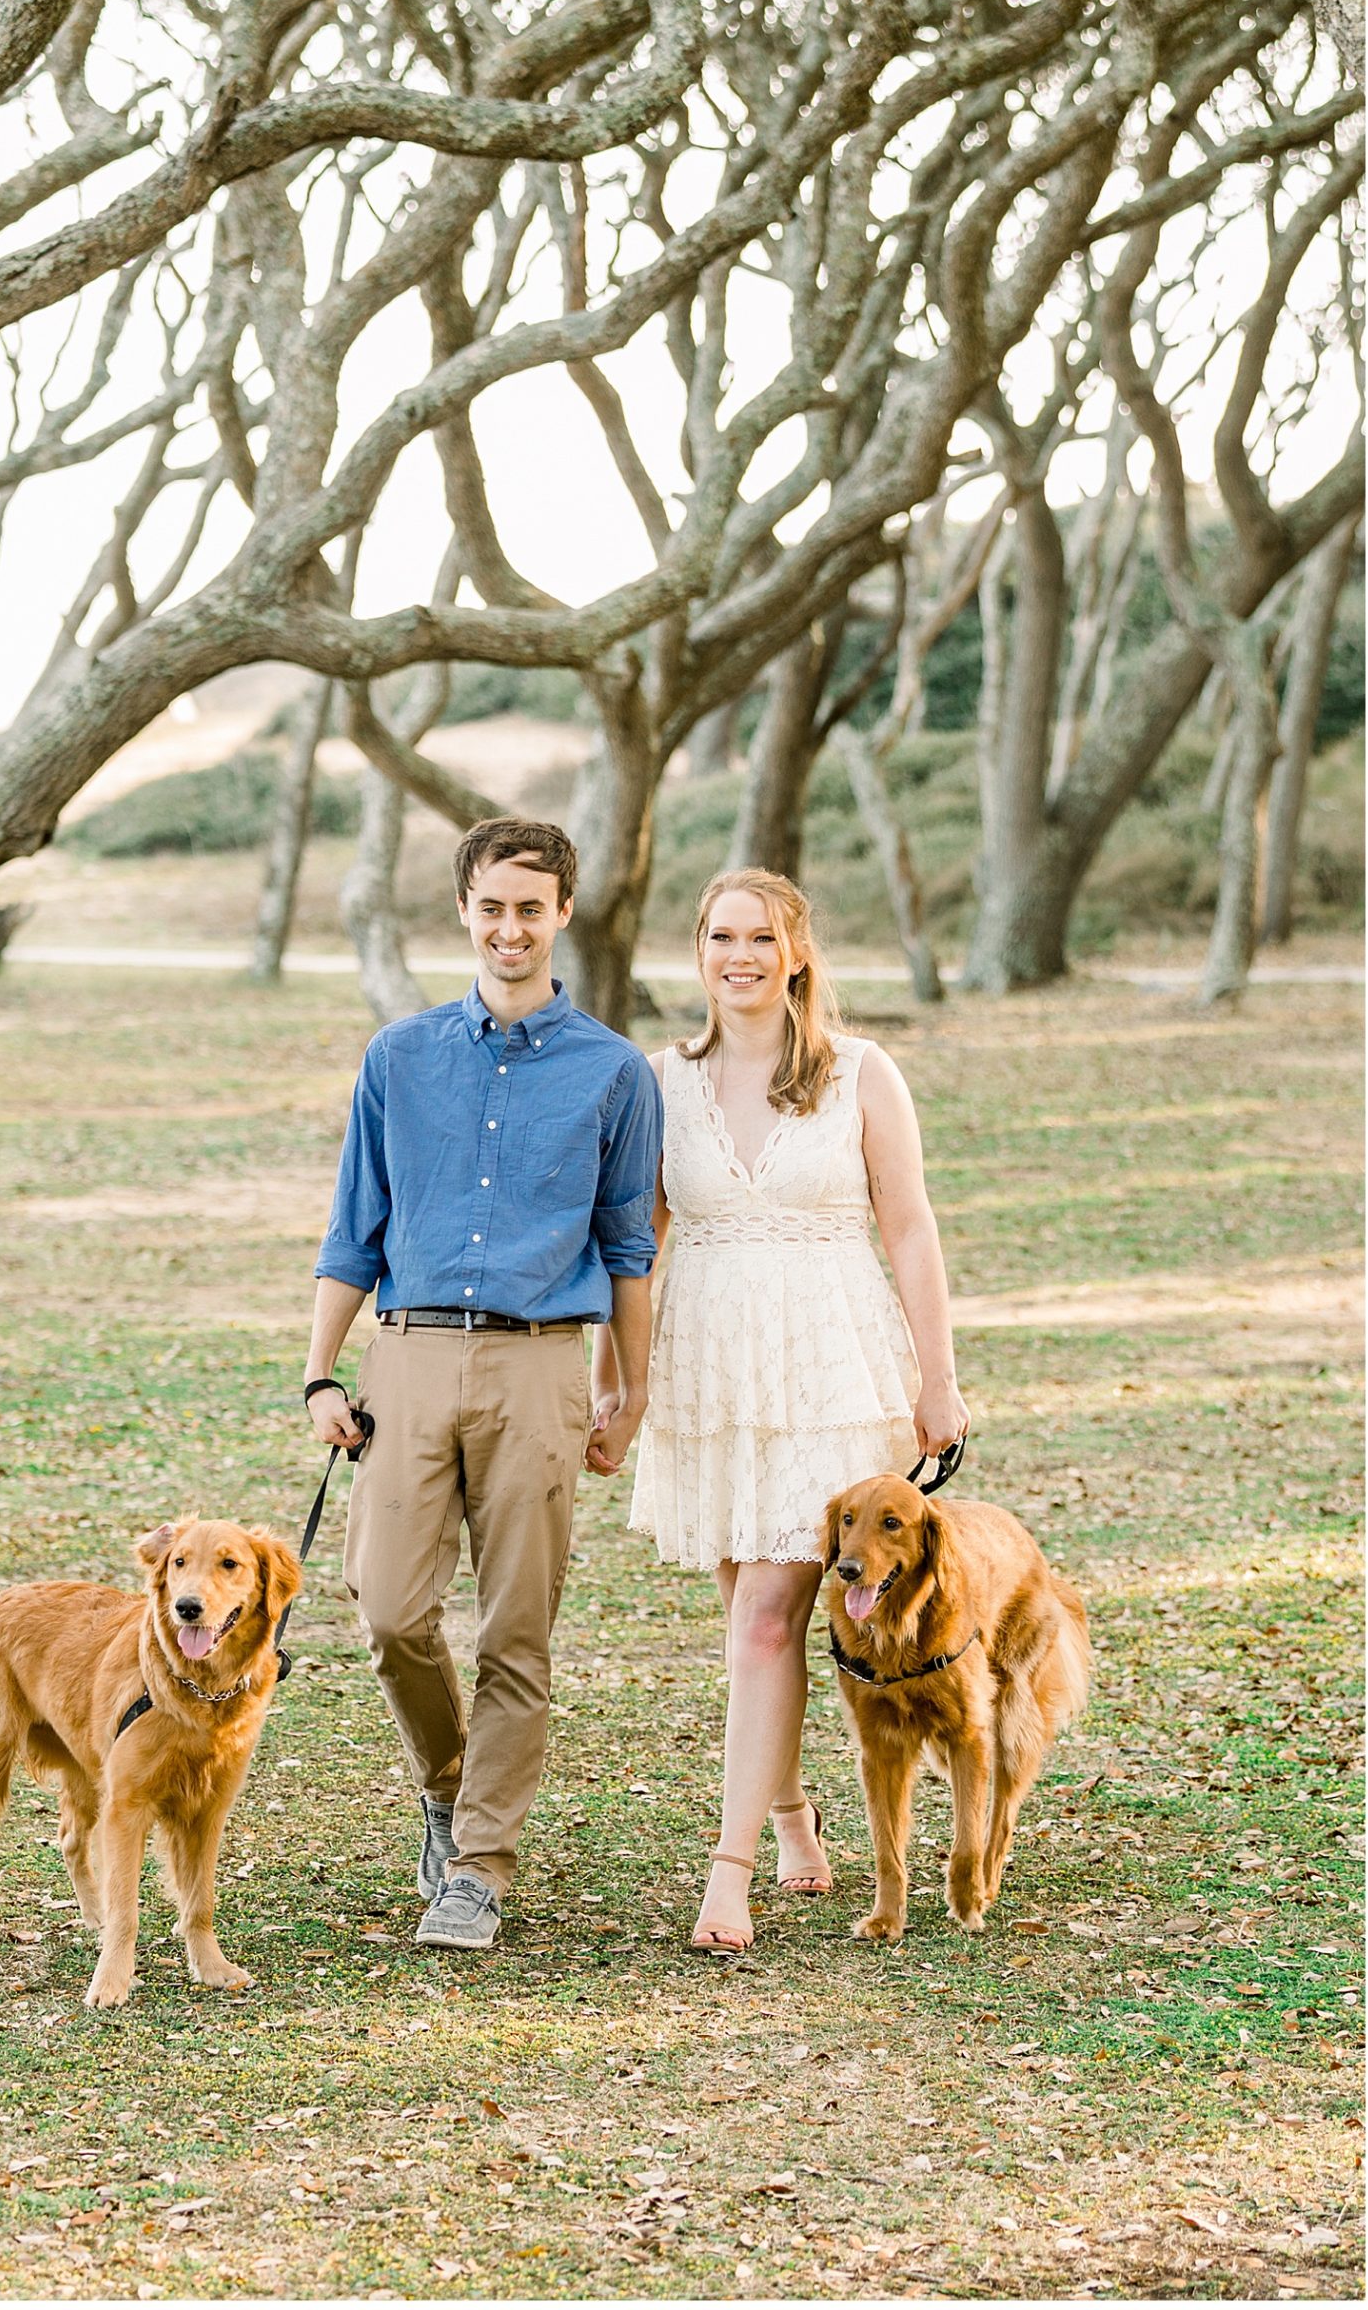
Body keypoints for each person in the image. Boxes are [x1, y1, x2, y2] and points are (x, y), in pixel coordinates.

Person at [304, 817, 663, 1949]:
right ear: (464, 910)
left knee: (517, 1633)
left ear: (564, 914)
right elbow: (353, 1227)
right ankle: (447, 1785)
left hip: (541, 1365)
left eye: (531, 909)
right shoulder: (398, 1057)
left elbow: (630, 1249)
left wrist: (628, 1393)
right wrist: (319, 1373)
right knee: (388, 1609)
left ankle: (479, 1868)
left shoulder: (614, 1072)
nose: (511, 929)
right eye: (492, 907)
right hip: (407, 1356)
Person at [618, 867, 969, 1954]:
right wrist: (619, 1378)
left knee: (769, 1618)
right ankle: (788, 1815)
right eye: (721, 936)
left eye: (762, 937)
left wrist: (938, 1377)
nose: (741, 957)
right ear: (699, 951)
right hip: (711, 1369)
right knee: (748, 1617)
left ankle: (726, 1878)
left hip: (830, 1366)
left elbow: (909, 1227)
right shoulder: (661, 1079)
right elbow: (641, 1240)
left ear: (797, 953)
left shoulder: (861, 1072)